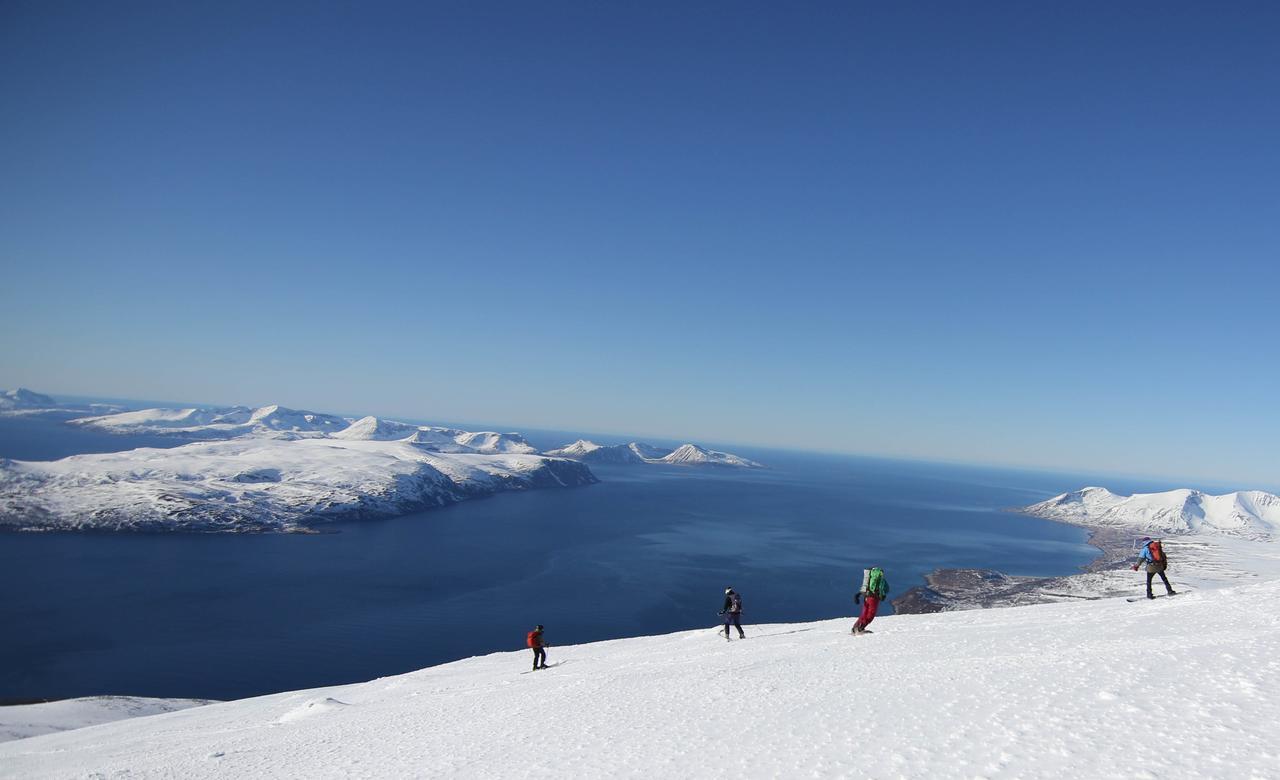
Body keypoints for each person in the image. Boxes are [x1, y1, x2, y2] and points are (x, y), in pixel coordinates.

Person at [853, 566, 889, 634]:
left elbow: (864, 587)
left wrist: (858, 594)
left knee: (864, 612)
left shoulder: (869, 578)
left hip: (866, 596)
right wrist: (882, 595)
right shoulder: (880, 578)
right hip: (874, 598)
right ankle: (860, 628)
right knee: (870, 614)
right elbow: (886, 588)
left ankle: (855, 627)